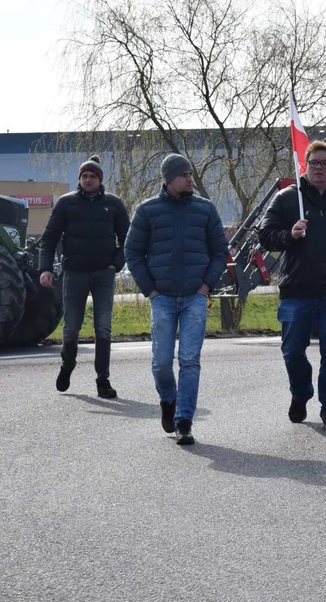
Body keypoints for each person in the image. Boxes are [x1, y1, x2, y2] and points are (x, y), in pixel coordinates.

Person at [124, 153, 228, 445]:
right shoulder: (147, 211)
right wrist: (151, 290)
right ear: (169, 179)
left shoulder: (206, 210)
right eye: (184, 175)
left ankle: (184, 421)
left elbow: (220, 251)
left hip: (195, 297)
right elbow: (132, 253)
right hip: (162, 298)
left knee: (190, 361)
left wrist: (206, 286)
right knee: (161, 363)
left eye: (190, 174)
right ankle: (168, 399)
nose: (190, 179)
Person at [259, 141, 326, 431]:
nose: (318, 168)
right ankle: (301, 394)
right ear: (305, 165)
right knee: (292, 351)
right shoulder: (287, 199)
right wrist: (289, 235)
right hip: (296, 290)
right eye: (313, 163)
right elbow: (265, 235)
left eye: (324, 163)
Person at [39, 155, 130, 399]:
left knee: (103, 327)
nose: (88, 180)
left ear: (100, 180)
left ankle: (103, 380)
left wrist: (115, 264)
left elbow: (128, 240)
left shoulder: (113, 204)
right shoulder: (66, 204)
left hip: (104, 274)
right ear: (79, 179)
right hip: (75, 273)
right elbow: (48, 239)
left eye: (92, 176)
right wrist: (45, 268)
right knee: (71, 329)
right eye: (84, 176)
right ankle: (67, 365)